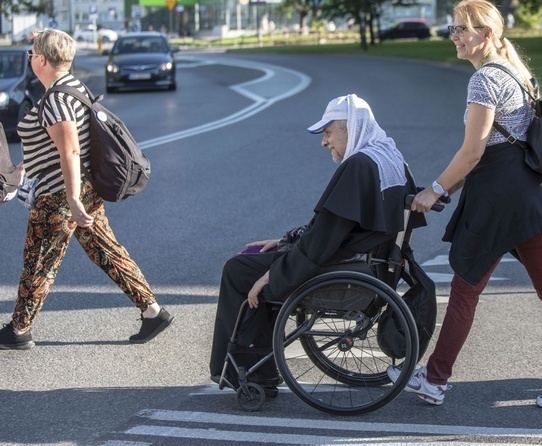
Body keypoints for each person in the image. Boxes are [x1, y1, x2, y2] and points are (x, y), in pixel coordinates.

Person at [387, 0, 542, 409]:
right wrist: (447, 186)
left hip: (500, 203)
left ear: (486, 34)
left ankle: (435, 380)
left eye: (462, 30)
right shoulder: (513, 71)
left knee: (467, 290)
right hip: (528, 197)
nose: (454, 37)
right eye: (452, 29)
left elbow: (473, 152)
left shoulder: (485, 80)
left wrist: (435, 189)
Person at [209, 94, 416, 397]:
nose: (324, 142)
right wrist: (284, 242)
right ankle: (259, 369)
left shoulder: (358, 166)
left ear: (350, 127)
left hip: (347, 269)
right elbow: (333, 230)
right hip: (374, 265)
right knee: (256, 257)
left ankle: (244, 371)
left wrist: (276, 273)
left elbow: (324, 239)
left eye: (329, 132)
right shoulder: (389, 156)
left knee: (239, 269)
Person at [0, 29, 173, 350]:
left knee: (38, 260)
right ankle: (152, 311)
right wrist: (26, 168)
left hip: (60, 196)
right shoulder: (71, 86)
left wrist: (71, 197)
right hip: (79, 189)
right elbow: (56, 148)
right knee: (106, 252)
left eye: (30, 55)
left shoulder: (57, 98)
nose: (29, 59)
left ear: (40, 59)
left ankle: (19, 329)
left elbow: (70, 150)